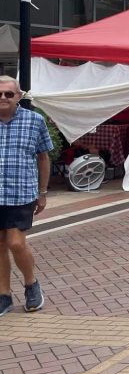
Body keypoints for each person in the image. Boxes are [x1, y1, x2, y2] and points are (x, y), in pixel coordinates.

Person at [0, 76, 50, 315]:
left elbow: (43, 157)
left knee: (15, 243)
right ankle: (4, 294)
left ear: (18, 96)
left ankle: (31, 284)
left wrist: (42, 193)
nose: (3, 98)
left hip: (21, 193)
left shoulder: (34, 121)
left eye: (9, 94)